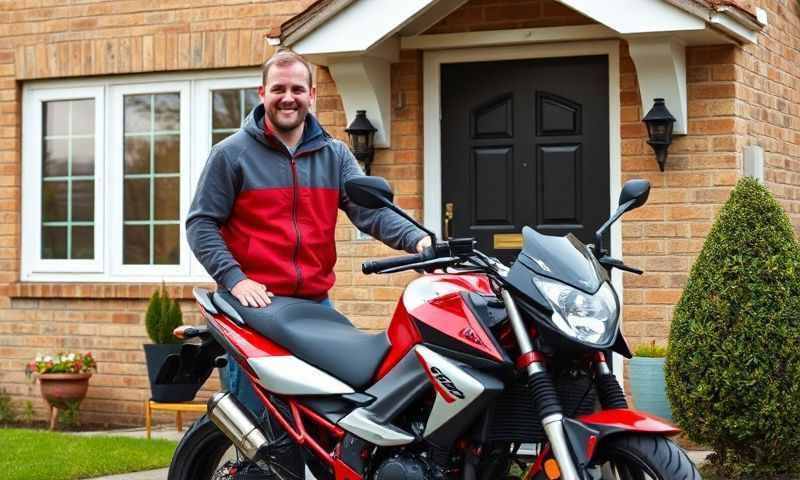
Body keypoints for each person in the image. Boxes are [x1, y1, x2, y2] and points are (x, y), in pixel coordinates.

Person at [186, 49, 429, 477]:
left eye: (297, 89)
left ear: (312, 95)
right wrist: (234, 278)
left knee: (333, 432)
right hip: (254, 312)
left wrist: (419, 240)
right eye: (278, 88)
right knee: (268, 445)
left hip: (316, 308)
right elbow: (201, 224)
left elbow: (370, 210)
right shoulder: (231, 154)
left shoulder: (333, 155)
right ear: (262, 93)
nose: (288, 97)